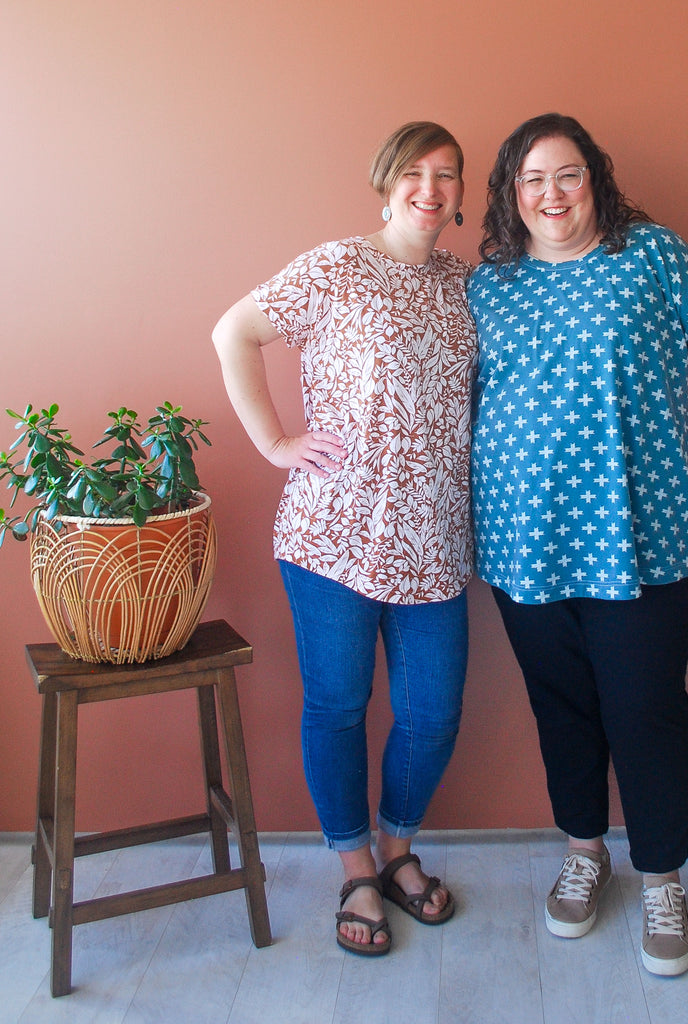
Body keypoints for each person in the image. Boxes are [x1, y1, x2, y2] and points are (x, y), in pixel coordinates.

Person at [468, 113, 688, 977]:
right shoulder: (489, 285)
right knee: (561, 706)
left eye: (567, 175)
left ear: (594, 178)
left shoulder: (653, 255)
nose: (550, 194)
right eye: (531, 180)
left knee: (645, 709)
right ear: (510, 194)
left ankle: (661, 877)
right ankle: (583, 852)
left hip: (645, 531)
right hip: (523, 537)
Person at [212, 122, 476, 957]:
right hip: (333, 536)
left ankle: (397, 849)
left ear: (461, 194)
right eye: (413, 172)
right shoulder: (336, 266)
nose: (429, 188)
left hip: (435, 539)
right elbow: (233, 332)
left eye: (446, 175)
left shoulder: (463, 283)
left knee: (432, 714)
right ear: (385, 182)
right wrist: (274, 442)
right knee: (336, 706)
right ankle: (355, 868)